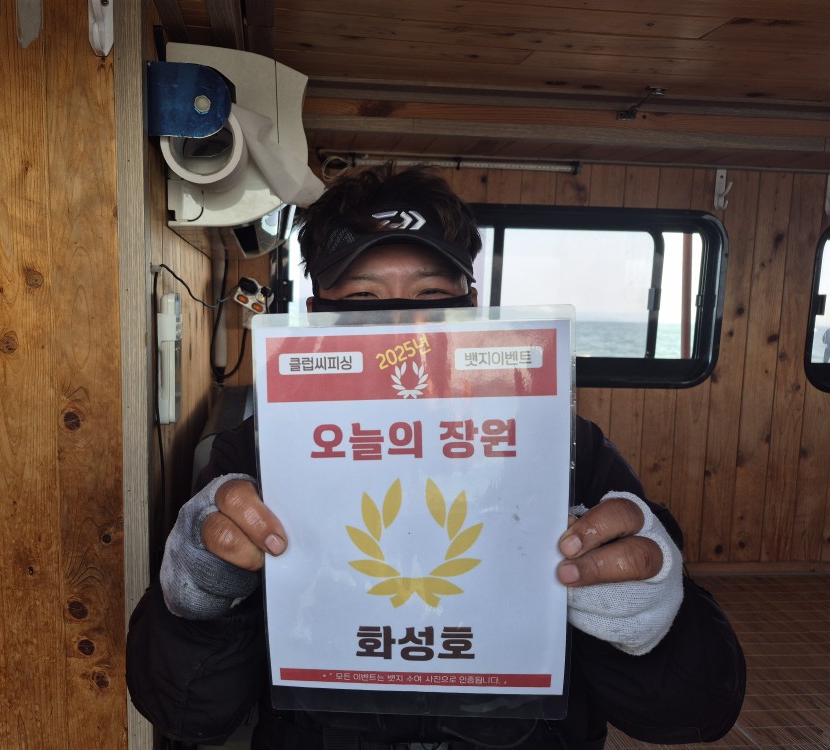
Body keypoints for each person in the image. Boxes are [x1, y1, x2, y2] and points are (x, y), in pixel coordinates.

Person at [127, 165, 746, 749]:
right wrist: (199, 599)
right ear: (315, 317)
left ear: (471, 307)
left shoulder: (565, 447)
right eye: (362, 298)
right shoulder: (256, 455)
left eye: (431, 293)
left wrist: (649, 618)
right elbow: (187, 712)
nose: (403, 322)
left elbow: (692, 711)